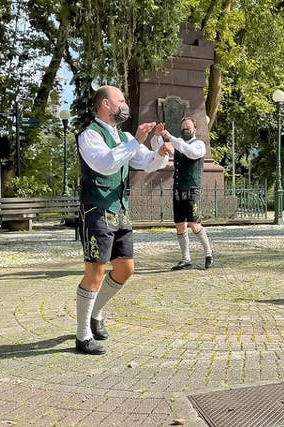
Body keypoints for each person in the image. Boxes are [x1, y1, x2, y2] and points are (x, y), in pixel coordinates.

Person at [75, 85, 174, 355]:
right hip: (96, 210)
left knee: (125, 269)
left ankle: (95, 313)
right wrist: (135, 143)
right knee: (95, 272)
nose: (125, 105)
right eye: (121, 100)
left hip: (120, 211)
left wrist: (160, 153)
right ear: (105, 104)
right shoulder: (89, 136)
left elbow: (146, 163)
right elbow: (105, 164)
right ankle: (82, 335)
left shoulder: (125, 136)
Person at [151, 116, 213, 270]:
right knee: (180, 225)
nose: (186, 130)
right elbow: (156, 148)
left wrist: (170, 137)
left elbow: (190, 152)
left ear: (195, 130)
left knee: (194, 224)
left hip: (193, 189)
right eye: (183, 127)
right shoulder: (177, 143)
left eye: (188, 127)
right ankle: (186, 259)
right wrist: (158, 135)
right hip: (178, 189)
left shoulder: (199, 145)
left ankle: (209, 253)